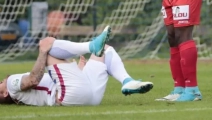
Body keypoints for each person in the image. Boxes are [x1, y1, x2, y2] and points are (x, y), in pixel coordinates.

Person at [0, 25, 153, 105]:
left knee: (104, 51)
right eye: (0, 83)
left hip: (86, 95)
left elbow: (51, 82)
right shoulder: (12, 85)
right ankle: (91, 46)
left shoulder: (18, 94)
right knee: (48, 47)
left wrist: (80, 70)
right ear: (4, 93)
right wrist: (42, 51)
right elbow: (34, 79)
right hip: (68, 96)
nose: (2, 81)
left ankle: (127, 81)